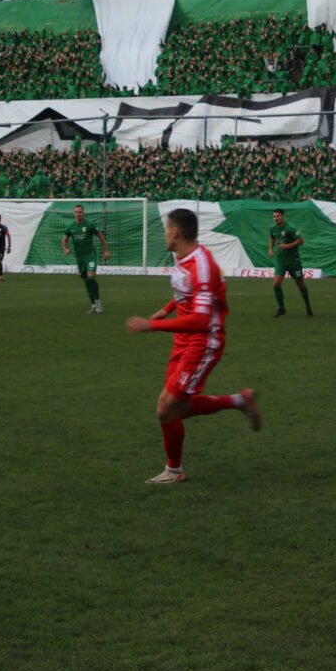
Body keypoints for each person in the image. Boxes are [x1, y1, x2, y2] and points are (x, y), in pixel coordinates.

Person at [125, 207, 260, 484]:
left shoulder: (201, 263)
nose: (164, 234)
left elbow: (199, 320)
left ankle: (174, 470)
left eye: (165, 229)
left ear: (176, 232)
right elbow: (188, 291)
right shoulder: (183, 256)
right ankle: (239, 400)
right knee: (175, 408)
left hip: (204, 341)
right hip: (183, 340)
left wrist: (151, 325)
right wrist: (167, 308)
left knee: (166, 407)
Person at [62, 203, 110, 314]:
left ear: (83, 213)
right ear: (74, 213)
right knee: (86, 281)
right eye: (76, 212)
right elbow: (64, 240)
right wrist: (65, 249)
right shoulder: (70, 226)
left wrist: (106, 251)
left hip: (90, 256)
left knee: (91, 277)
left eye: (80, 212)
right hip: (80, 258)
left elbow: (101, 236)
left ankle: (98, 302)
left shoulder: (89, 224)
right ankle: (93, 305)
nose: (78, 214)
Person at [267, 207, 313, 317]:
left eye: (278, 216)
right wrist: (270, 249)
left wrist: (287, 246)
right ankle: (281, 308)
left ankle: (308, 307)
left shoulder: (290, 228)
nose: (276, 218)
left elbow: (301, 241)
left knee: (300, 283)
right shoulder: (272, 228)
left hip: (293, 260)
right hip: (281, 260)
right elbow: (272, 237)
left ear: (283, 216)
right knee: (276, 284)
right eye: (274, 216)